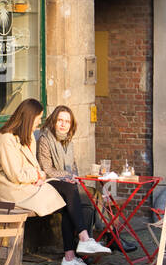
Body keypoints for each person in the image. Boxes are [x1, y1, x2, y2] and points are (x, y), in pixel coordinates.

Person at [0, 98, 109, 265]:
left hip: (31, 186)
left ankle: (74, 252)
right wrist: (38, 176)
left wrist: (39, 175)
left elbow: (37, 168)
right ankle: (77, 247)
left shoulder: (29, 137)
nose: (39, 122)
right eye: (37, 118)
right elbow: (16, 175)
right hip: (14, 192)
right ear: (28, 118)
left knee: (69, 192)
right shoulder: (5, 140)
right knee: (69, 193)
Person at [36, 105, 135, 254]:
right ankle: (108, 238)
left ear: (71, 125)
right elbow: (47, 169)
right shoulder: (45, 139)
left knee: (93, 195)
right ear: (54, 121)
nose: (63, 124)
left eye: (67, 122)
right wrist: (69, 176)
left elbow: (74, 168)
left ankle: (101, 240)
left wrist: (73, 177)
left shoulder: (69, 142)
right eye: (60, 120)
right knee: (86, 198)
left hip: (68, 184)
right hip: (52, 185)